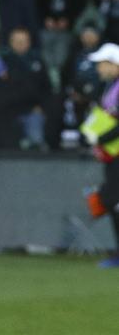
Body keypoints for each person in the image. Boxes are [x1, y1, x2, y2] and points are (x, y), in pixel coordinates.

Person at [83, 43, 119, 268]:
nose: (99, 68)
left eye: (103, 63)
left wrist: (99, 139)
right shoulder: (109, 88)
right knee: (112, 201)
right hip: (112, 155)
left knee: (110, 199)